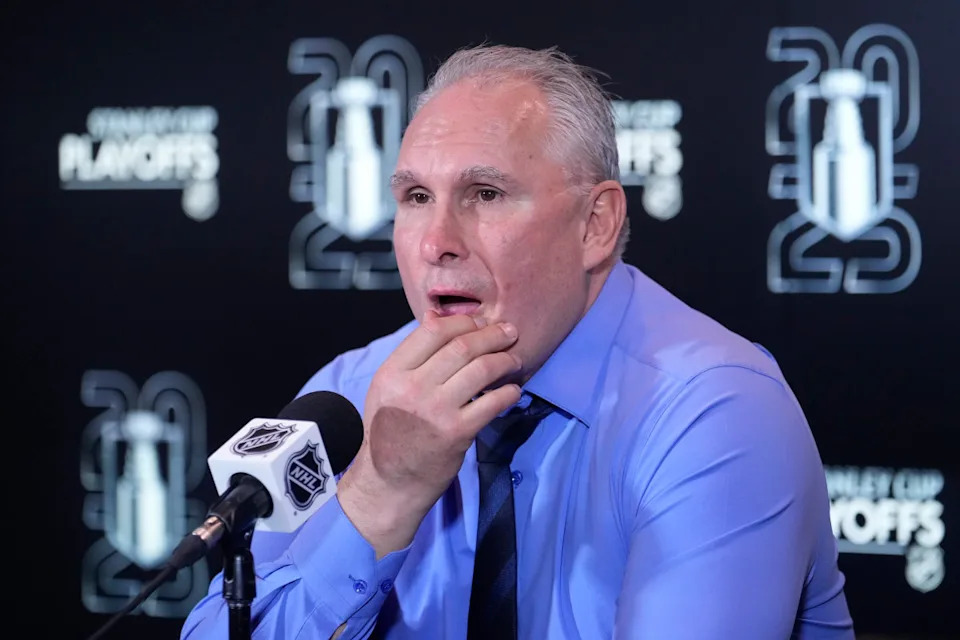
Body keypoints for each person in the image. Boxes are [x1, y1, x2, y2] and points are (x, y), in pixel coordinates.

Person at [181, 44, 854, 639]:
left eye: (484, 194)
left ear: (595, 224)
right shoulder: (353, 394)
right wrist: (379, 495)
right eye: (416, 196)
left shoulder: (715, 411)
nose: (436, 242)